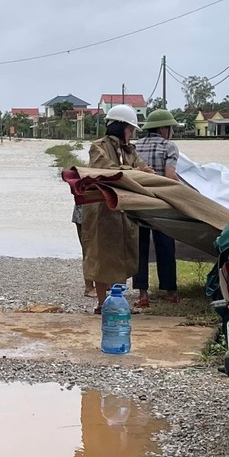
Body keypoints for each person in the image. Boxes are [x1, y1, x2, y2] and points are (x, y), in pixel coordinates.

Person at [81, 104, 154, 313]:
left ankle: (117, 301)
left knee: (122, 257)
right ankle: (103, 303)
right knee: (102, 256)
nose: (131, 135)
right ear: (120, 127)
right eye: (130, 130)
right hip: (102, 211)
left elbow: (141, 169)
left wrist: (144, 172)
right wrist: (134, 171)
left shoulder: (130, 150)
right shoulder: (98, 147)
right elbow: (106, 170)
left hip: (125, 211)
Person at [132, 109, 181, 308]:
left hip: (137, 203)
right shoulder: (168, 146)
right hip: (161, 203)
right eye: (170, 128)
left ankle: (143, 295)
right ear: (163, 129)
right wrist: (187, 192)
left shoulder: (134, 147)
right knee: (165, 246)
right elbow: (170, 176)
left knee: (140, 248)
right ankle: (170, 292)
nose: (171, 132)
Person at [72, 204, 96, 298]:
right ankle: (89, 287)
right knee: (88, 251)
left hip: (100, 212)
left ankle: (104, 283)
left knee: (104, 249)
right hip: (84, 212)